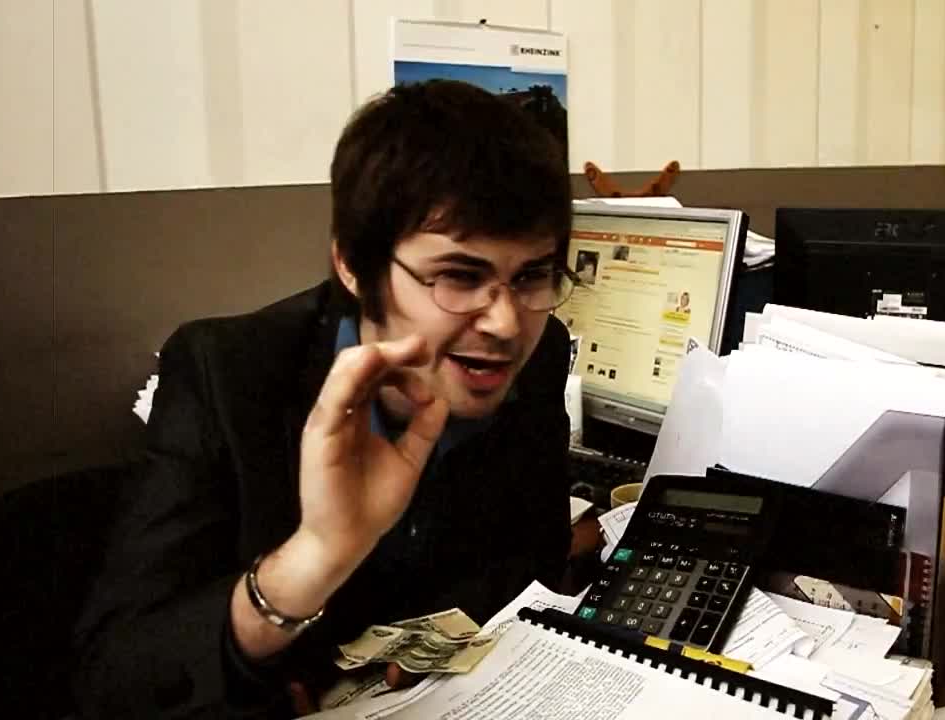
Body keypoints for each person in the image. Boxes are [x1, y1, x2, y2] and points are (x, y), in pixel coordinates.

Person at [72, 80, 577, 718]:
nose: (505, 323)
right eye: (458, 275)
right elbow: (111, 679)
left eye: (532, 275)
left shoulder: (540, 349)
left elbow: (532, 555)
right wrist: (312, 559)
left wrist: (435, 638)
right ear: (353, 265)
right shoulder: (227, 373)